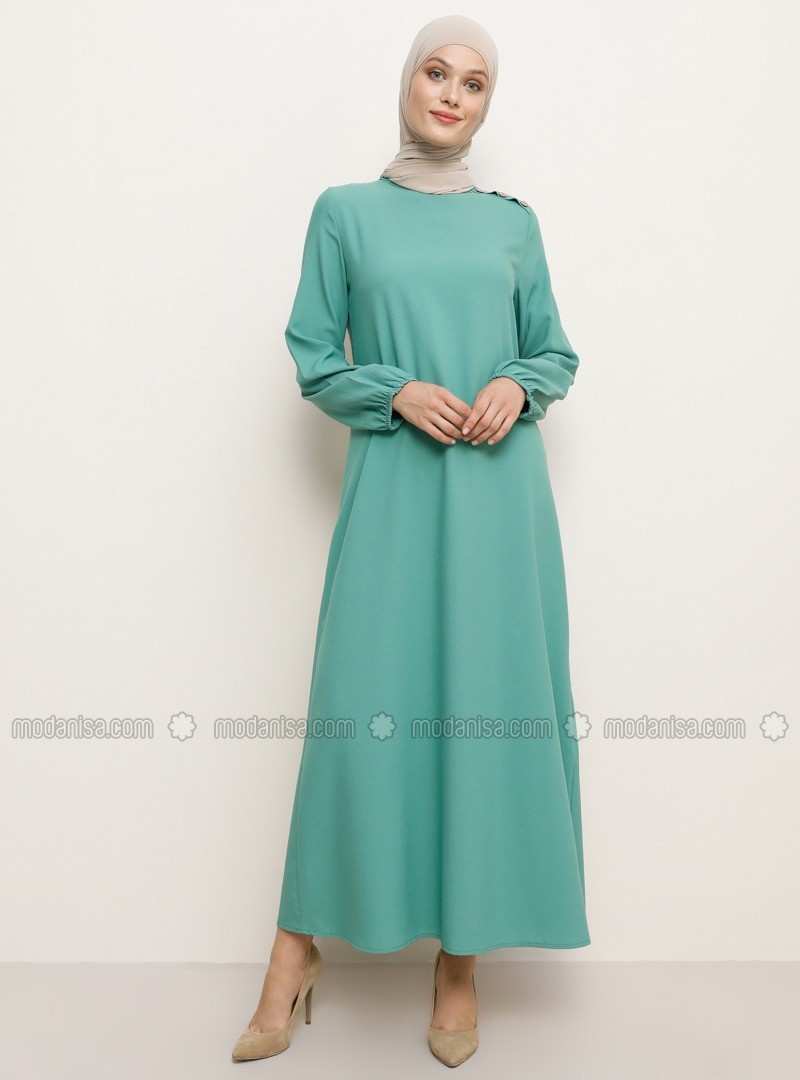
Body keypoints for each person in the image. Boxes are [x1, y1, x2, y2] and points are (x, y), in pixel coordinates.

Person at [231, 13, 590, 1068]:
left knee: (483, 712)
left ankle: (458, 964)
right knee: (360, 710)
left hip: (497, 502)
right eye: (436, 73)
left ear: (486, 106)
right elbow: (313, 355)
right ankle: (294, 952)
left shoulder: (512, 226)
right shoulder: (344, 213)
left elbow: (554, 353)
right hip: (392, 487)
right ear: (406, 82)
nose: (450, 95)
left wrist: (513, 385)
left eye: (473, 84)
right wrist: (395, 392)